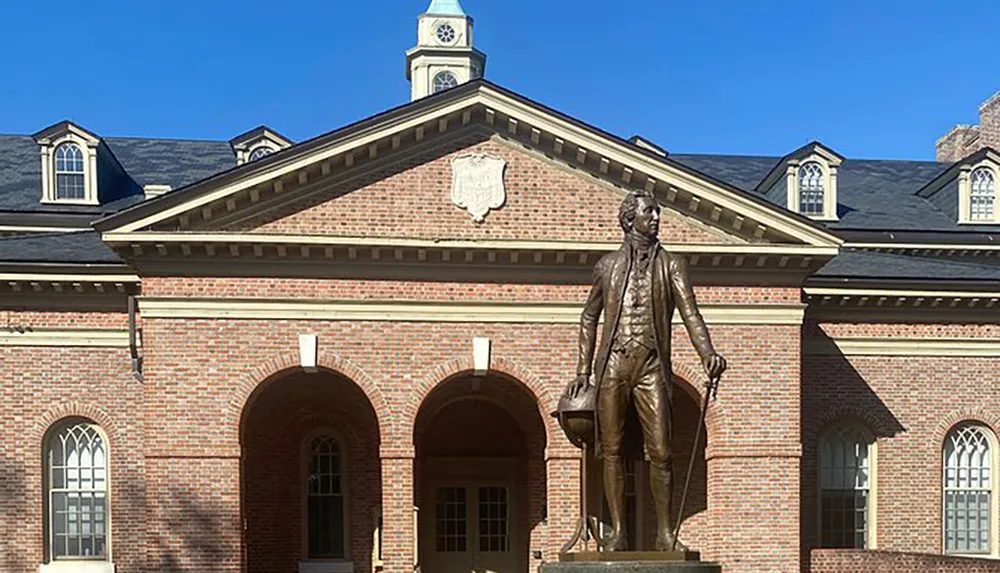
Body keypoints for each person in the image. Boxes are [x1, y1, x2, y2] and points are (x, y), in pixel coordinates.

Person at [567, 189, 727, 551]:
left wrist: (708, 353)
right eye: (649, 212)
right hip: (613, 365)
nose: (656, 218)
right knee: (612, 450)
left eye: (656, 212)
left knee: (662, 450)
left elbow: (690, 313)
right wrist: (583, 369)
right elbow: (589, 316)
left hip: (651, 367)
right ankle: (618, 532)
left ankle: (665, 534)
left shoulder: (672, 264)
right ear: (629, 219)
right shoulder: (607, 266)